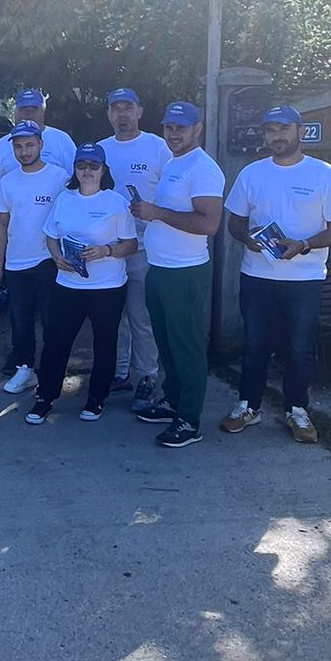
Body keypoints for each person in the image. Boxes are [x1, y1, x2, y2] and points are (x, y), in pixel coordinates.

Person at [222, 104, 331, 444]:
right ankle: (248, 407)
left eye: (283, 128)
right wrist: (247, 239)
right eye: (270, 130)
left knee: (299, 348)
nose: (277, 136)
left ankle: (297, 409)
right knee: (254, 345)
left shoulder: (324, 174)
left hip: (305, 279)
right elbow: (235, 222)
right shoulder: (252, 173)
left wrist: (305, 245)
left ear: (300, 131)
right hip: (257, 275)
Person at [133, 101, 224, 448]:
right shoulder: (174, 163)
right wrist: (149, 212)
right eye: (169, 127)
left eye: (181, 127)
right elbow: (169, 212)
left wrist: (157, 213)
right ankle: (173, 401)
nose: (173, 133)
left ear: (198, 128)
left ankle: (189, 419)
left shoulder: (203, 168)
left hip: (184, 272)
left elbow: (209, 224)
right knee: (167, 343)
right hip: (161, 268)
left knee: (186, 347)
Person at [25, 144, 137, 423]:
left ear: (103, 169)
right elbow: (51, 235)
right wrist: (56, 257)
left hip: (108, 287)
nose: (87, 170)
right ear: (75, 169)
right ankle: (45, 397)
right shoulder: (64, 198)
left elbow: (131, 245)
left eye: (93, 165)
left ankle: (97, 398)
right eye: (81, 165)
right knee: (56, 342)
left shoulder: (116, 202)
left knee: (105, 344)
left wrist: (106, 250)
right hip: (68, 285)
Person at [99, 88, 169, 400]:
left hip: (144, 248)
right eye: (116, 108)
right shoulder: (101, 150)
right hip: (109, 250)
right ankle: (119, 372)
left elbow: (171, 193)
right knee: (114, 318)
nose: (122, 114)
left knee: (141, 318)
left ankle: (147, 376)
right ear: (108, 114)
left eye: (128, 107)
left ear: (139, 111)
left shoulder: (158, 147)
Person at [0, 121, 62, 394]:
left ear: (40, 144)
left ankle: (52, 371)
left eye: (30, 145)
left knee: (51, 320)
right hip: (15, 262)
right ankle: (25, 369)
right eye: (18, 147)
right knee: (20, 321)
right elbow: (2, 224)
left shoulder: (60, 177)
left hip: (48, 261)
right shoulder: (8, 181)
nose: (24, 151)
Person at [0, 90, 77, 183]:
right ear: (15, 113)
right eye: (23, 110)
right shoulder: (3, 143)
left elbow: (75, 179)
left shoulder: (62, 139)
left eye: (34, 110)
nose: (29, 114)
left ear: (43, 112)